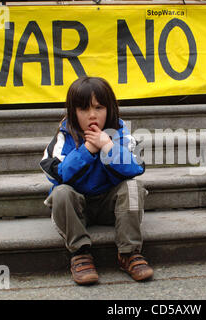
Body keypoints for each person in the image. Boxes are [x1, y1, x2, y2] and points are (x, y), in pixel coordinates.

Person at [40, 76, 153, 285]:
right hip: (76, 209)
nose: (92, 115)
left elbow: (135, 168)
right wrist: (87, 150)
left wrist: (108, 147)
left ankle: (129, 253)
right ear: (73, 112)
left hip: (110, 206)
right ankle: (80, 253)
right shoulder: (64, 137)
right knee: (61, 192)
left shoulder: (121, 134)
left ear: (109, 109)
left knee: (134, 187)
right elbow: (57, 173)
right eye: (84, 109)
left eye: (99, 107)